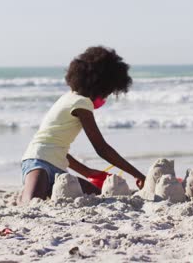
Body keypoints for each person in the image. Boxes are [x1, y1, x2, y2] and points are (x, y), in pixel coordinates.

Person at [20, 46, 146, 203]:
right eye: (108, 91)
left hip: (58, 168)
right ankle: (24, 195)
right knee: (31, 202)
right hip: (38, 162)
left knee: (97, 195)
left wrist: (87, 172)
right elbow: (102, 148)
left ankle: (35, 190)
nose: (106, 96)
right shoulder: (82, 103)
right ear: (101, 84)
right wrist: (138, 175)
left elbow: (58, 147)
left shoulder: (68, 97)